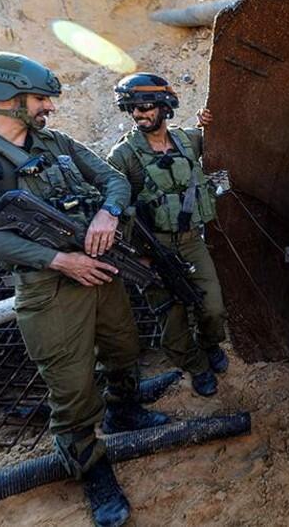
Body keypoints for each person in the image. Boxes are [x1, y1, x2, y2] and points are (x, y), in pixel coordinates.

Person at [0, 52, 169, 527]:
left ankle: (124, 411)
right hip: (48, 288)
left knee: (123, 347)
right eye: (40, 99)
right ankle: (92, 469)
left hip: (101, 270)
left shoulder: (54, 141)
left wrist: (107, 214)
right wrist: (57, 260)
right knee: (72, 390)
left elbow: (113, 179)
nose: (49, 107)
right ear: (7, 98)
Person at [107, 73, 228, 397]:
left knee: (213, 308)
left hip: (191, 242)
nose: (138, 114)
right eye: (132, 108)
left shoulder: (189, 140)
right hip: (152, 249)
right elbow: (113, 210)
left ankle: (210, 344)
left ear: (164, 106)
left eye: (145, 106)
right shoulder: (123, 156)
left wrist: (207, 121)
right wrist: (138, 257)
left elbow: (218, 137)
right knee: (172, 323)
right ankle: (197, 367)